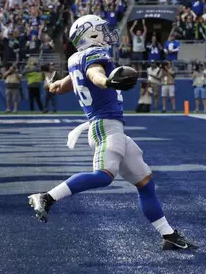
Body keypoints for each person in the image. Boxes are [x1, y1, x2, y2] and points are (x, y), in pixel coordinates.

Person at [29, 15, 197, 251]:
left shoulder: (75, 59)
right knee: (104, 175)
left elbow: (62, 85)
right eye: (102, 30)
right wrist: (107, 81)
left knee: (145, 183)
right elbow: (93, 74)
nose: (107, 35)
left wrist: (51, 84)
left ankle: (168, 235)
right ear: (91, 34)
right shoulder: (94, 57)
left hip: (112, 128)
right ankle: (47, 197)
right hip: (104, 125)